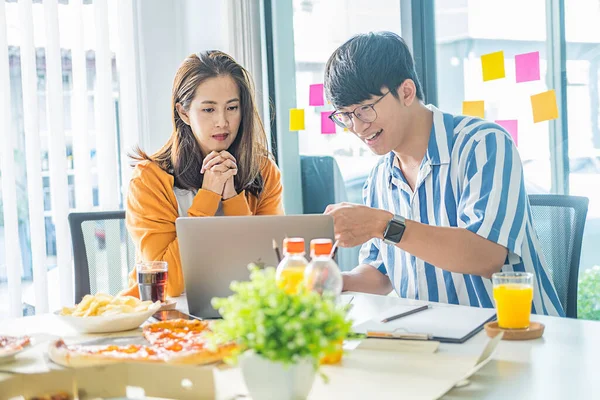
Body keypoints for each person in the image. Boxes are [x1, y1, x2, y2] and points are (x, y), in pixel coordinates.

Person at [323, 32, 563, 316]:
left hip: (514, 337)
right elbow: (380, 273)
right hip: (433, 340)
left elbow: (486, 256)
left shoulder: (483, 144)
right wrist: (334, 281)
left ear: (406, 92)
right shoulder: (378, 180)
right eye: (345, 116)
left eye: (365, 109)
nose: (358, 128)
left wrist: (383, 224)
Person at [121, 51, 284, 298]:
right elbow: (168, 284)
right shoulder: (148, 179)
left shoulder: (263, 170)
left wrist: (231, 197)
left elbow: (265, 271)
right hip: (167, 317)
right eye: (208, 110)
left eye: (232, 108)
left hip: (239, 313)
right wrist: (208, 196)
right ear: (184, 113)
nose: (223, 122)